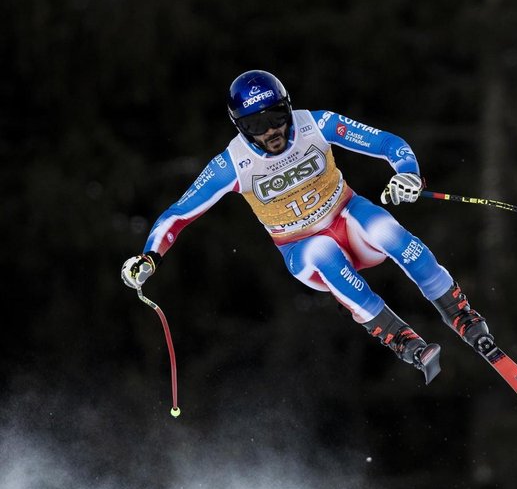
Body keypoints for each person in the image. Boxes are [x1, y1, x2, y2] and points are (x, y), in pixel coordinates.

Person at [121, 69, 496, 384]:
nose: (270, 131)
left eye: (276, 117)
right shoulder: (232, 164)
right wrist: (149, 257)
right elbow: (178, 214)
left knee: (385, 229)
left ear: (288, 107)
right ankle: (403, 340)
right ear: (239, 128)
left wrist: (408, 175)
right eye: (255, 125)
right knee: (324, 252)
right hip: (301, 247)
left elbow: (388, 143)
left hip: (348, 217)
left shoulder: (315, 123)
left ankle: (459, 313)